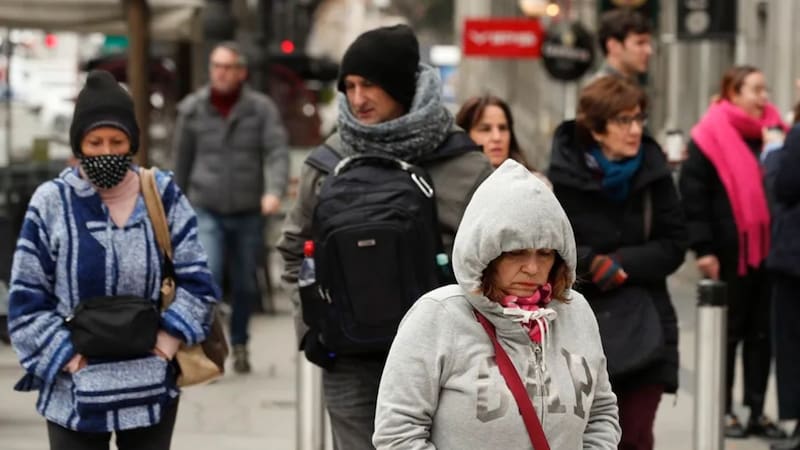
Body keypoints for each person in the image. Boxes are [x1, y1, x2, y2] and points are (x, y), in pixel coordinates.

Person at [277, 24, 493, 450]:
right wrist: (312, 329)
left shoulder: (464, 164)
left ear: (401, 86)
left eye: (370, 85)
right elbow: (292, 250)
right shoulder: (328, 162)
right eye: (350, 86)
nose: (357, 99)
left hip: (440, 363)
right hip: (349, 360)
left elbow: (492, 261)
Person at [7, 70, 219, 450]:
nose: (106, 151)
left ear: (132, 143)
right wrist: (71, 361)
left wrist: (164, 348)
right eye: (95, 141)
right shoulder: (50, 203)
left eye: (117, 141)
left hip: (151, 387)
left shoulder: (163, 195)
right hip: (73, 392)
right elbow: (26, 301)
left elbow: (198, 283)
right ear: (78, 145)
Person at [373, 159, 621, 449]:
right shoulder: (438, 316)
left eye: (545, 253)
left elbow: (601, 414)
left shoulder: (575, 312)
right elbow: (398, 434)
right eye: (515, 252)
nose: (532, 267)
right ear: (486, 253)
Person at [547, 76, 687, 450]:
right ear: (596, 128)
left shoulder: (655, 173)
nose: (635, 129)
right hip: (582, 325)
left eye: (639, 119)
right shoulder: (563, 176)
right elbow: (554, 243)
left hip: (647, 323)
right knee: (585, 437)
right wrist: (593, 264)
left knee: (635, 436)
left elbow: (675, 244)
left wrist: (623, 263)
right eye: (624, 121)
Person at [678, 65, 787, 439]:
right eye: (755, 90)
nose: (763, 98)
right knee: (727, 334)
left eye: (765, 89)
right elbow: (694, 195)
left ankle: (756, 410)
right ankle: (722, 410)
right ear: (733, 92)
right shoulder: (709, 134)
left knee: (763, 335)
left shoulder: (774, 134)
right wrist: (703, 248)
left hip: (770, 252)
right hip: (727, 251)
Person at [173, 41, 289, 374]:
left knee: (244, 284)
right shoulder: (193, 109)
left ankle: (239, 342)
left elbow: (277, 152)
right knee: (208, 274)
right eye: (216, 66)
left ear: (241, 71)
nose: (220, 73)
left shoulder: (260, 109)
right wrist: (175, 205)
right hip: (205, 206)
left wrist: (274, 190)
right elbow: (181, 161)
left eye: (227, 67)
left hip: (248, 209)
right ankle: (207, 346)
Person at [763, 101, 800, 450]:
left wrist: (774, 151)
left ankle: (795, 423)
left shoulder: (797, 135)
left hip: (794, 261)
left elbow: (785, 186)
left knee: (790, 341)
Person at [593, 8, 653, 83]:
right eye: (640, 43)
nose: (649, 51)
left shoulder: (625, 85)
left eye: (648, 43)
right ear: (613, 46)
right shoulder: (603, 91)